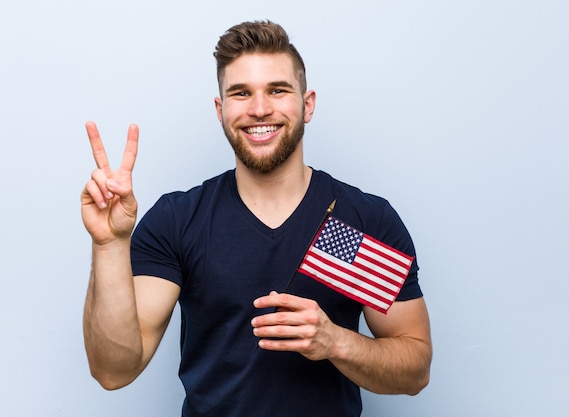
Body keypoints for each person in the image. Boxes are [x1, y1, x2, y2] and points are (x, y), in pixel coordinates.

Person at [81, 20, 432, 417]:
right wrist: (108, 245)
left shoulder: (362, 219)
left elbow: (415, 370)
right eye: (241, 93)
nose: (260, 108)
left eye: (278, 90)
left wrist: (336, 342)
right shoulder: (178, 220)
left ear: (308, 103)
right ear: (220, 110)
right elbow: (113, 370)